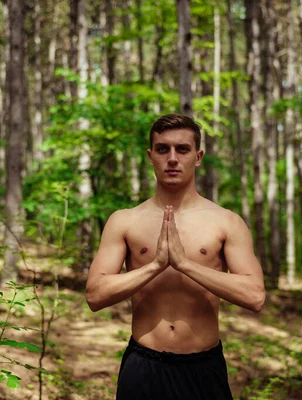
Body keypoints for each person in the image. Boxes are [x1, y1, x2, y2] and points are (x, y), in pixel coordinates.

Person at [85, 114, 265, 400]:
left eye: (182, 149)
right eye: (162, 149)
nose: (172, 158)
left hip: (203, 368)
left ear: (198, 156)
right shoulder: (124, 221)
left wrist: (185, 264)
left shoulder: (226, 222)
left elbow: (255, 296)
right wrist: (156, 265)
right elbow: (95, 295)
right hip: (143, 366)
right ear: (150, 156)